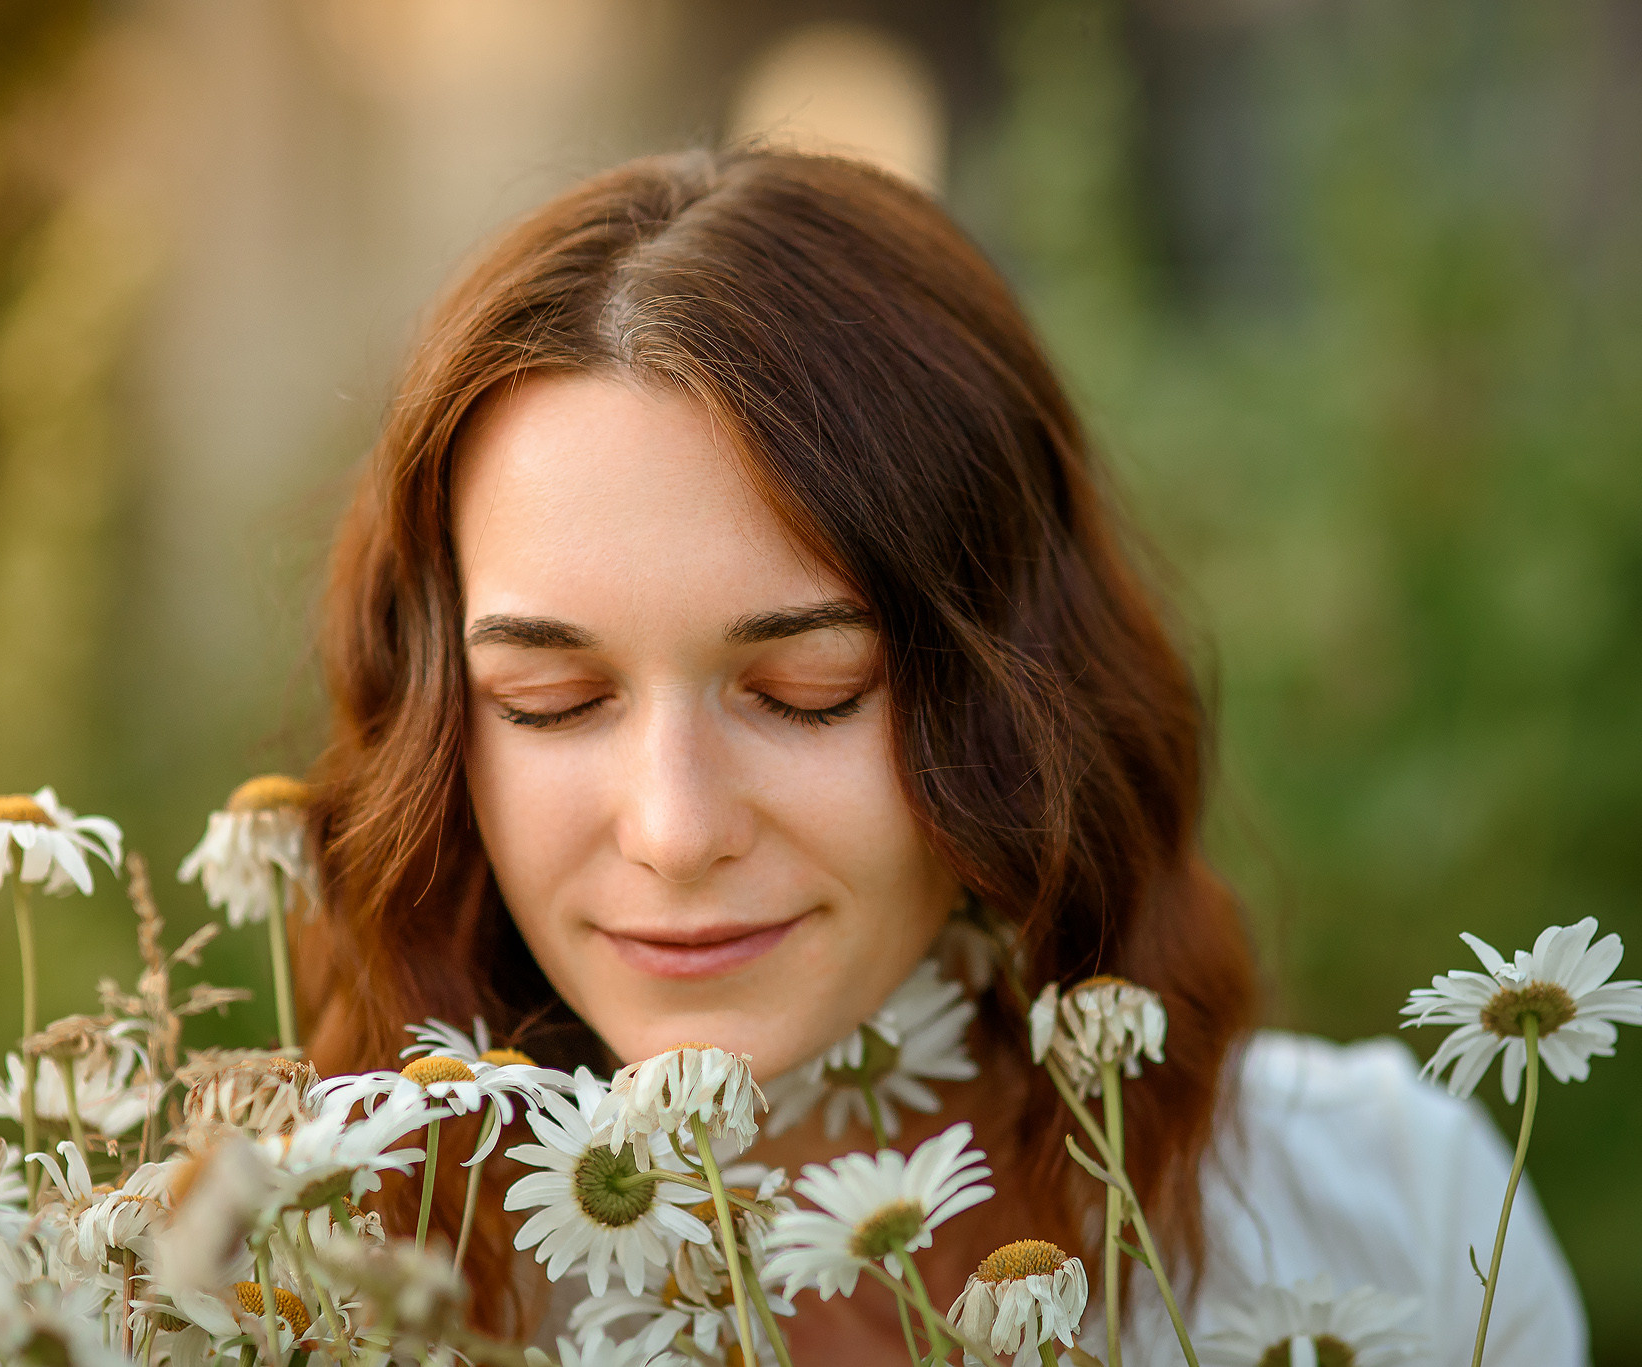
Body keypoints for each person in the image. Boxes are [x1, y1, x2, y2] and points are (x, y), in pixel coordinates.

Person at [293, 147, 1587, 1363]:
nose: (675, 830)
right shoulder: (300, 1282)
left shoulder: (1392, 1216)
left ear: (1015, 695)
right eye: (553, 696)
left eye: (809, 689)